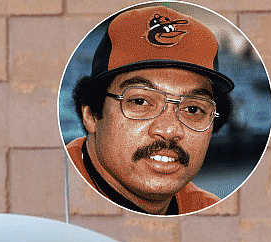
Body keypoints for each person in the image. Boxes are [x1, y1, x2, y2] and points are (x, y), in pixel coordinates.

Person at [67, 4, 235, 215]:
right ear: (91, 114)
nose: (169, 130)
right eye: (140, 102)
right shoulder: (42, 198)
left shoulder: (209, 213)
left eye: (193, 108)